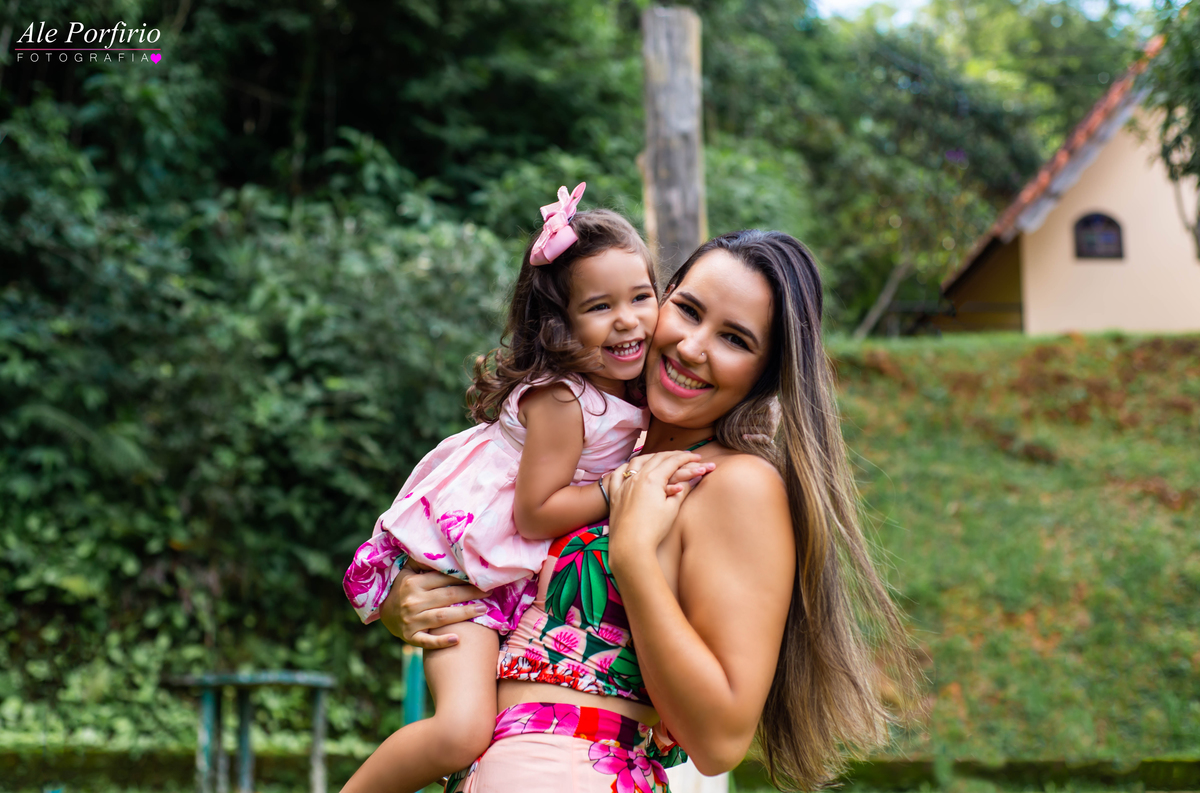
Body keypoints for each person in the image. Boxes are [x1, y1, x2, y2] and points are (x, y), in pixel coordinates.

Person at [376, 230, 919, 793]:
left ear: (766, 373)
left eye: (734, 339)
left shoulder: (736, 484)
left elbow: (720, 740)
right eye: (687, 310)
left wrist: (634, 556)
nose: (692, 347)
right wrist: (413, 605)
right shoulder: (597, 456)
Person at [340, 185, 714, 793]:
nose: (627, 320)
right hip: (470, 573)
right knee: (460, 731)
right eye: (599, 307)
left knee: (490, 731)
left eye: (641, 297)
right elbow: (536, 514)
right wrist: (620, 487)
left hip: (514, 588)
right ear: (560, 326)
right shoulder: (564, 400)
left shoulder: (629, 385)